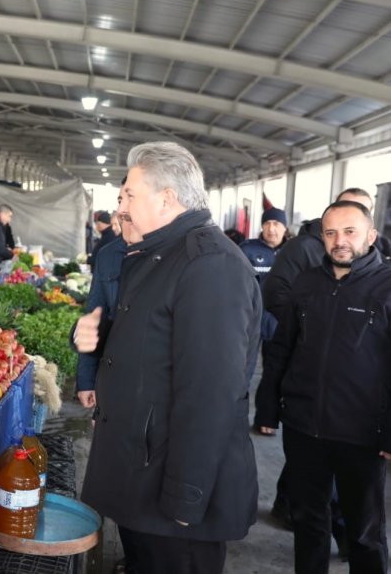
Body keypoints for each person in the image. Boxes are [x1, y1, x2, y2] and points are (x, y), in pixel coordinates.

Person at [75, 141, 260, 574]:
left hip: (175, 502)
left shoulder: (209, 266)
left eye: (130, 195)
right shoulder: (159, 255)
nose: (121, 207)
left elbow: (210, 395)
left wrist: (185, 497)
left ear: (167, 198)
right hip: (144, 475)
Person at [255, 200, 391, 574]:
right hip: (304, 429)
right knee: (308, 524)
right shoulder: (308, 282)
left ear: (371, 236)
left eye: (350, 232)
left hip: (361, 434)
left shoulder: (386, 287)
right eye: (331, 233)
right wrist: (267, 406)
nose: (339, 241)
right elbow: (282, 348)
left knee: (364, 534)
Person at [75, 178, 143, 574]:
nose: (122, 207)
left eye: (130, 197)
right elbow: (93, 315)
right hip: (111, 385)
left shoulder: (175, 257)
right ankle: (131, 554)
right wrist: (86, 378)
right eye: (119, 198)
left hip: (152, 393)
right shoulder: (109, 254)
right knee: (116, 480)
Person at [240, 207, 289, 342]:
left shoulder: (293, 251)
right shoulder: (247, 249)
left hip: (280, 318)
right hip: (252, 316)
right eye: (267, 223)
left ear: (285, 227)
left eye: (276, 224)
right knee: (247, 360)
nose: (271, 229)